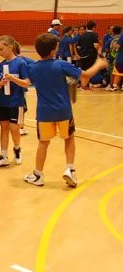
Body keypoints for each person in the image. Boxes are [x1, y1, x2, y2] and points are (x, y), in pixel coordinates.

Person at [24, 33, 107, 187]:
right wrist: (99, 64)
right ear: (54, 50)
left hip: (44, 112)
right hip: (63, 111)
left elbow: (33, 80)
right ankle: (69, 169)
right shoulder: (61, 65)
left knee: (43, 143)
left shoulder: (32, 68)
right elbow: (85, 77)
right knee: (69, 138)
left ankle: (38, 174)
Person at [0, 35, 30, 168]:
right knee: (4, 129)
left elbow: (26, 83)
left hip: (16, 102)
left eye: (1, 49)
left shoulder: (20, 63)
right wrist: (1, 83)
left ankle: (17, 149)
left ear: (10, 47)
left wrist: (13, 79)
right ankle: (3, 155)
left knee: (14, 129)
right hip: (3, 102)